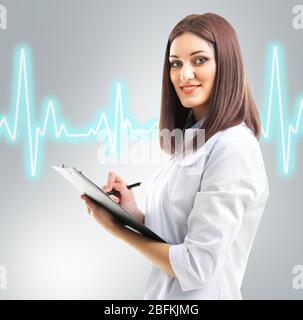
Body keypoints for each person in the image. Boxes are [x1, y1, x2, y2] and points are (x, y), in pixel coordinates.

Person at [81, 12, 270, 300]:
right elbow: (174, 239)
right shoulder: (194, 140)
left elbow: (196, 266)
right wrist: (131, 214)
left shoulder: (233, 148)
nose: (184, 75)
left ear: (227, 66)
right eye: (175, 64)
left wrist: (119, 231)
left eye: (199, 60)